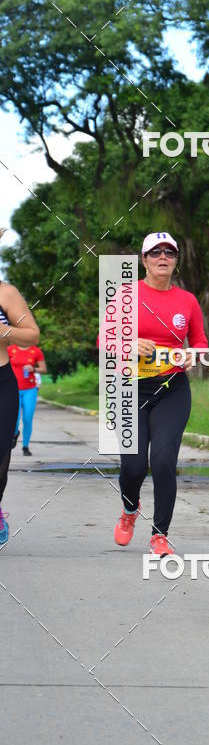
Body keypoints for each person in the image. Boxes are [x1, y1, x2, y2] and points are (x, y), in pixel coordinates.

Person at [107, 232, 208, 557]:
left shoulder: (187, 300)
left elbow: (201, 343)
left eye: (169, 252)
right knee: (134, 467)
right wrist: (128, 344)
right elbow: (104, 341)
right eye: (155, 252)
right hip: (131, 389)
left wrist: (195, 355)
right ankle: (129, 509)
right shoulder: (125, 295)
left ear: (176, 260)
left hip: (172, 388)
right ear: (144, 259)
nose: (162, 257)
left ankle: (160, 535)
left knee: (163, 462)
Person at [0, 229, 40, 545]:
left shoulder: (6, 293)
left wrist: (3, 331)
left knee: (0, 454)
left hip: (2, 382)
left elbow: (31, 334)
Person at [8, 342, 47, 456]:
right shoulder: (10, 349)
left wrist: (34, 369)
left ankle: (25, 446)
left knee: (27, 418)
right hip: (13, 388)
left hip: (30, 389)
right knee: (14, 418)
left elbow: (43, 369)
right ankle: (15, 434)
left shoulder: (35, 351)